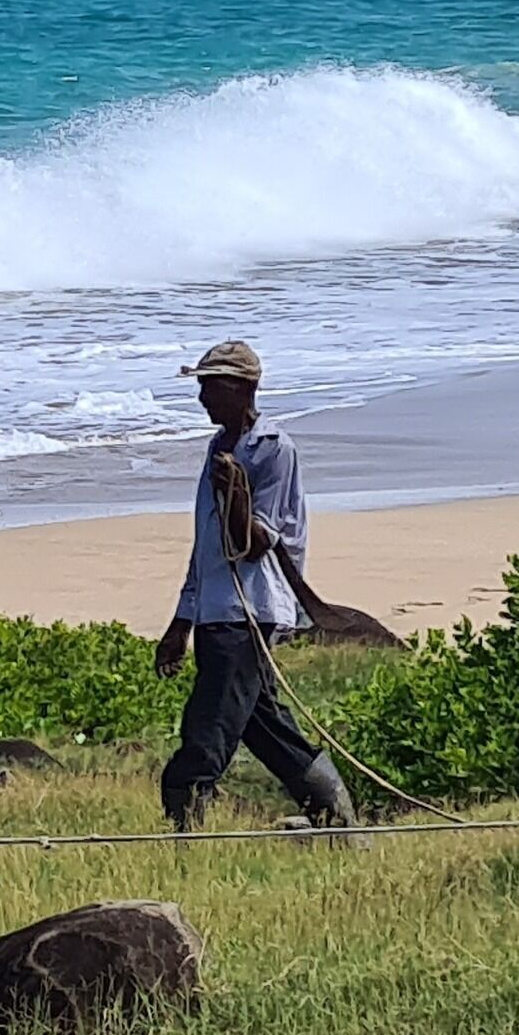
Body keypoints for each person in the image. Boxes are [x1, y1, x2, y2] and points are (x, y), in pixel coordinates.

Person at [152, 338, 355, 832]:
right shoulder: (217, 447)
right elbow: (207, 547)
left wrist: (237, 489)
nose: (203, 399)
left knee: (208, 730)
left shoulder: (273, 449)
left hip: (250, 611)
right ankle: (336, 817)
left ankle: (186, 831)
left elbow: (259, 541)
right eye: (200, 387)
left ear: (244, 389)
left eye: (211, 387)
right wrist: (182, 621)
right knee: (266, 728)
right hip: (217, 611)